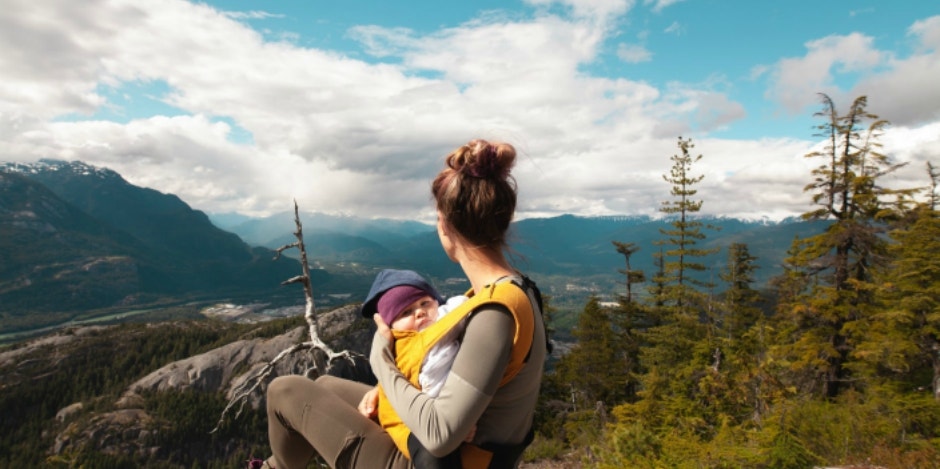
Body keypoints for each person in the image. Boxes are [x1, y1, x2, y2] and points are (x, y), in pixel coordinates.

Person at [261, 139, 548, 469]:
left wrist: (381, 359)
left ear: (444, 225)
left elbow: (440, 434)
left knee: (285, 391)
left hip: (436, 461)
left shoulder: (495, 314)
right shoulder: (513, 291)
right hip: (453, 451)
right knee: (326, 386)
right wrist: (387, 392)